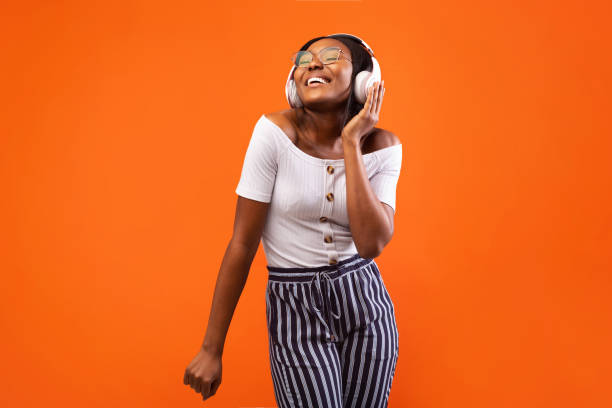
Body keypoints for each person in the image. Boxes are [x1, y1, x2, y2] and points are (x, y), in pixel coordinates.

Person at [184, 33, 402, 407]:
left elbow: (371, 244)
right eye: (304, 59)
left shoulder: (382, 146)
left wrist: (351, 143)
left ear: (366, 80)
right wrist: (211, 348)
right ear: (293, 81)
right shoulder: (272, 134)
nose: (312, 63)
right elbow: (242, 242)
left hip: (366, 307)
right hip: (296, 307)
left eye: (331, 56)